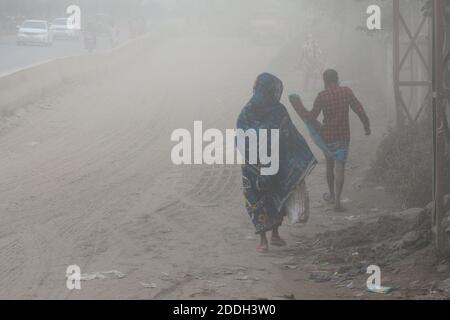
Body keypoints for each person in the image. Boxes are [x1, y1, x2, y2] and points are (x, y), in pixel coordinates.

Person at [237, 73, 317, 253]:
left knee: (270, 197)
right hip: (262, 165)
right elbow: (242, 135)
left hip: (265, 164)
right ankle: (267, 238)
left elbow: (288, 132)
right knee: (265, 198)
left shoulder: (260, 110)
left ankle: (270, 237)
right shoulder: (259, 111)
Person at [294, 69, 371, 212]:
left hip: (327, 137)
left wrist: (300, 110)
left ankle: (331, 194)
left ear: (324, 82)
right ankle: (337, 202)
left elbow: (312, 116)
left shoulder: (322, 96)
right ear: (337, 79)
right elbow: (359, 109)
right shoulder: (346, 92)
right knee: (340, 166)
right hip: (343, 136)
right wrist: (366, 126)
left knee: (329, 165)